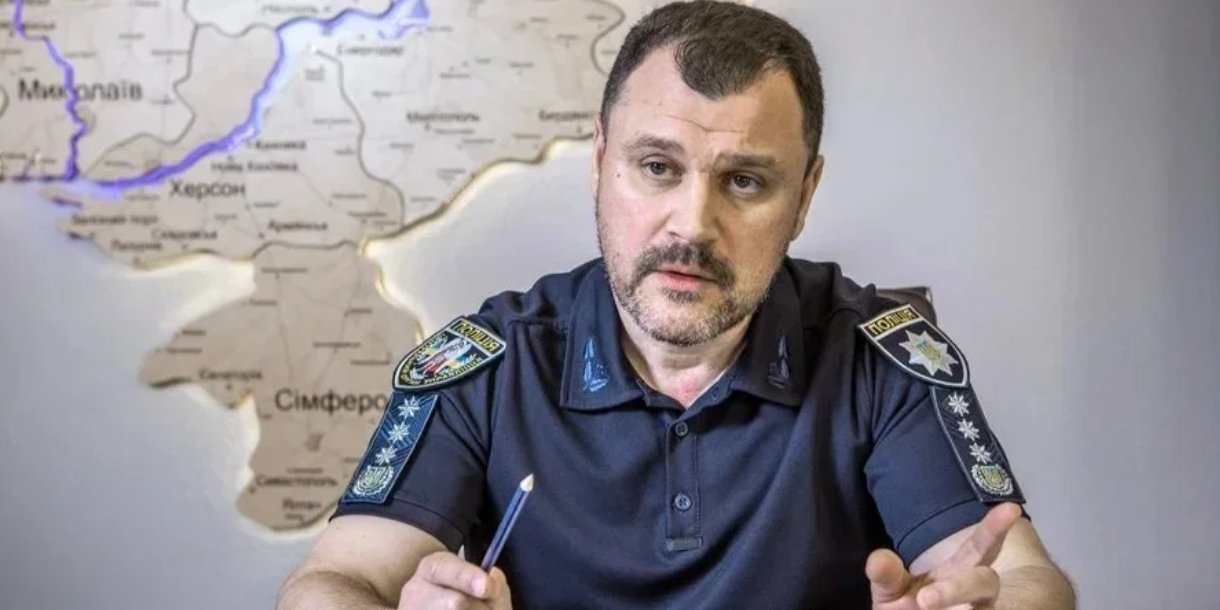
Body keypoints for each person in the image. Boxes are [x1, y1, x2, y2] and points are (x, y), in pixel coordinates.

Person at [277, 2, 1075, 608]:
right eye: (658, 167)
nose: (692, 226)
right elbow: (333, 581)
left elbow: (1025, 577)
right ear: (600, 164)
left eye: (745, 181)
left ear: (804, 197)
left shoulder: (879, 359)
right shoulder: (488, 366)